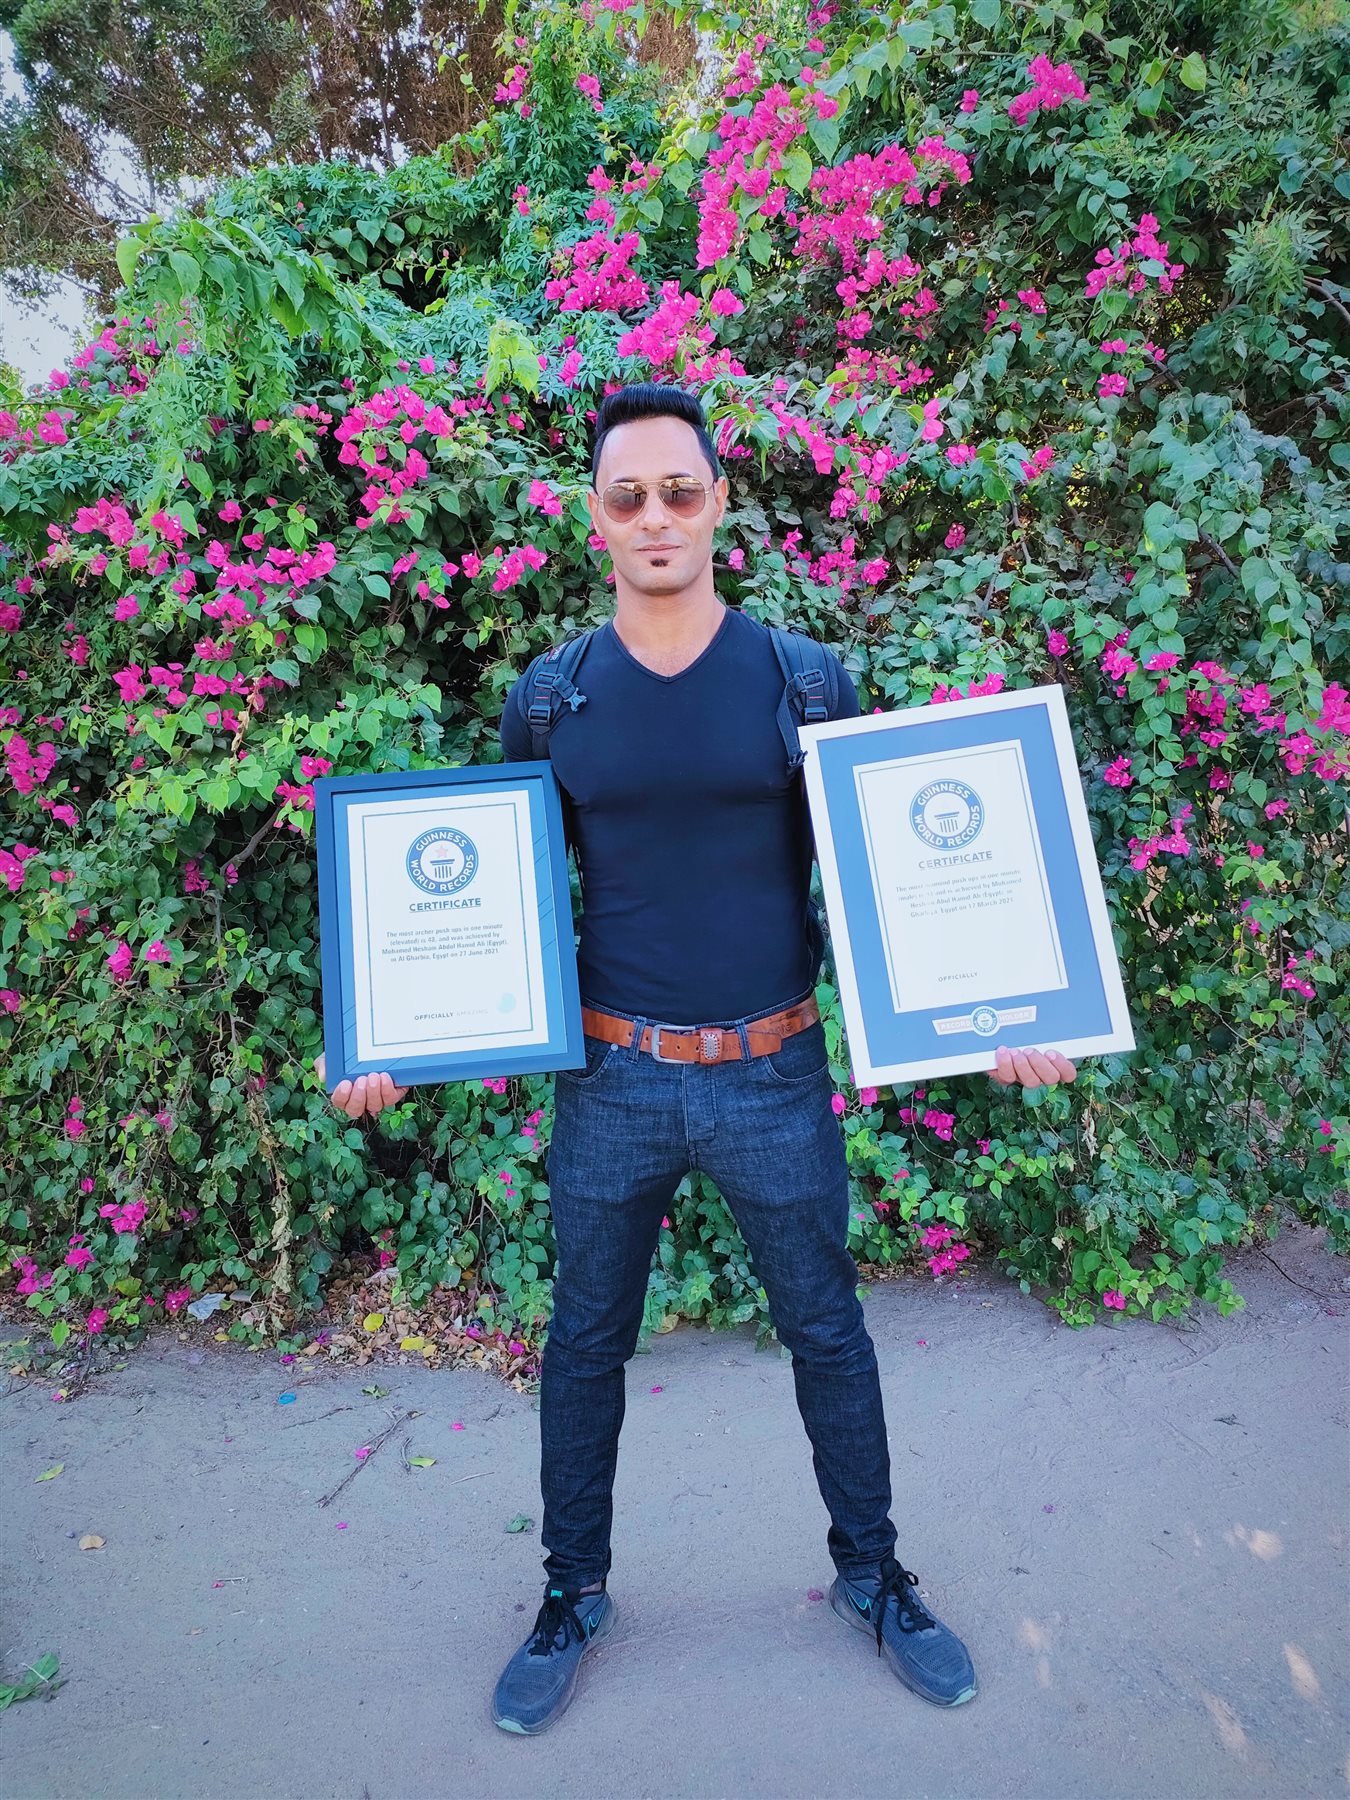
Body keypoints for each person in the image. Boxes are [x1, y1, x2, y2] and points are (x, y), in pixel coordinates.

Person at [315, 382, 1077, 1735]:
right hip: (611, 1080)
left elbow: (893, 884)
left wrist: (999, 1010)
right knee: (581, 1346)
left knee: (827, 1332)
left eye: (679, 490)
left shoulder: (804, 680)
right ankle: (570, 1594)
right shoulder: (550, 698)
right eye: (629, 496)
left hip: (773, 1072)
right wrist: (396, 1042)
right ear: (594, 519)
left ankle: (872, 1577)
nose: (655, 515)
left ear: (720, 501)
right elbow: (487, 906)